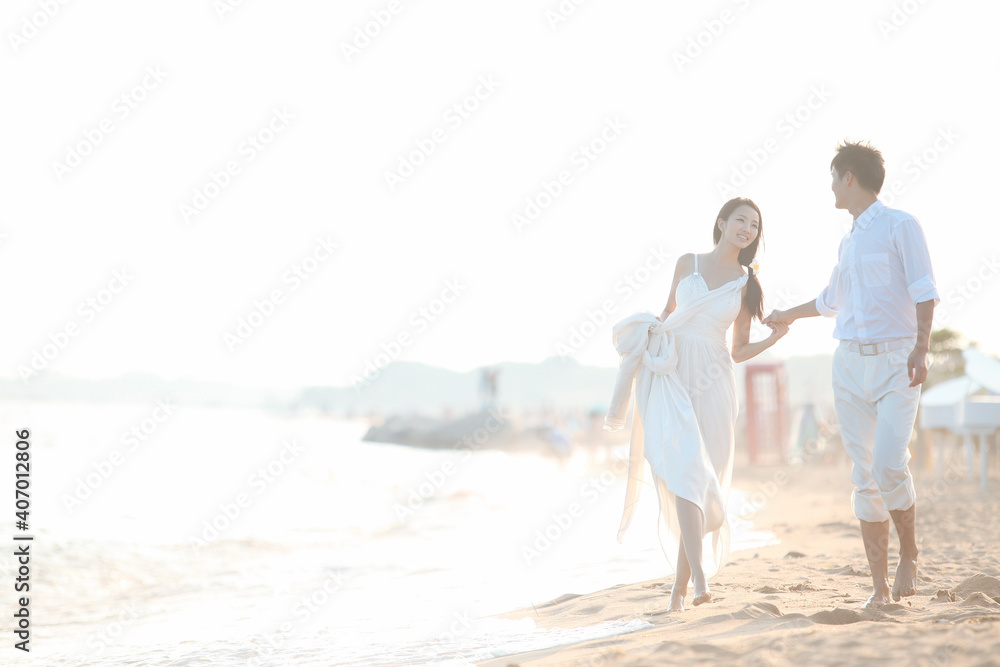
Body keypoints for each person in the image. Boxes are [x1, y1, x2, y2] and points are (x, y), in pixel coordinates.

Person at [763, 140, 938, 608]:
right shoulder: (849, 239)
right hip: (848, 362)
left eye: (833, 177)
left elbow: (925, 289)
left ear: (849, 177)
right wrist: (787, 314)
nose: (830, 187)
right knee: (864, 475)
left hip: (898, 359)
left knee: (888, 463)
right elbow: (829, 301)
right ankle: (879, 586)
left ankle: (911, 552)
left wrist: (922, 347)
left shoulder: (901, 225)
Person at [605, 197, 788, 612]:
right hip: (673, 373)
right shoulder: (686, 263)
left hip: (714, 378)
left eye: (755, 225)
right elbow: (669, 312)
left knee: (700, 479)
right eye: (741, 220)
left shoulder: (747, 284)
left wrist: (773, 338)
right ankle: (698, 579)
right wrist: (642, 336)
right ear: (722, 223)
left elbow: (739, 349)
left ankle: (678, 591)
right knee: (683, 468)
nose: (747, 228)